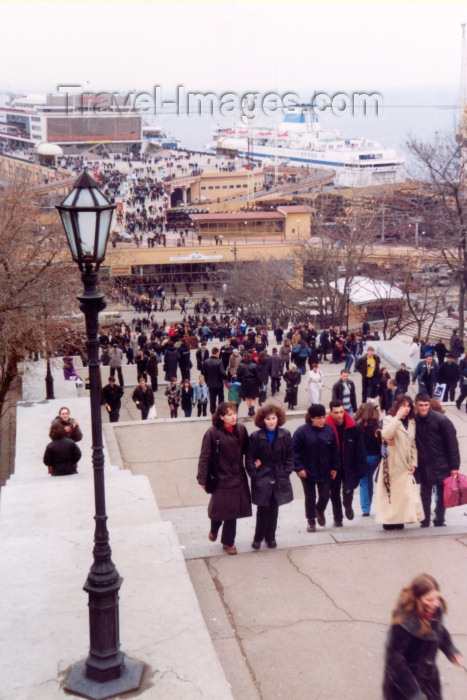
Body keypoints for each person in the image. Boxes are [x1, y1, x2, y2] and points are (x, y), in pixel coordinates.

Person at [383, 573, 463, 700]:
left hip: (428, 678)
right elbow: (395, 661)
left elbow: (438, 631)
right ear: (417, 599)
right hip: (406, 685)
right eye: (429, 600)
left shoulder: (434, 611)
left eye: (436, 598)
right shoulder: (402, 624)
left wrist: (450, 650)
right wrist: (414, 694)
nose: (435, 604)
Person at [197, 402, 251, 555]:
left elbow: (248, 449)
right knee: (220, 508)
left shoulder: (241, 429)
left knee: (232, 512)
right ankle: (214, 528)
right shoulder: (212, 433)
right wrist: (202, 479)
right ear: (221, 417)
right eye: (229, 414)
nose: (233, 417)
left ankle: (228, 542)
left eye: (234, 413)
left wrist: (256, 460)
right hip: (220, 477)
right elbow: (204, 457)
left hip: (237, 476)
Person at [246, 404, 294, 549]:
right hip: (263, 475)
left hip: (279, 474)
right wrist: (255, 474)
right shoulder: (255, 436)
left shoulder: (285, 434)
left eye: (273, 418)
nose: (271, 421)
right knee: (263, 507)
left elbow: (290, 456)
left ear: (278, 419)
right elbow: (249, 457)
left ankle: (270, 537)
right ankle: (258, 538)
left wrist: (286, 471)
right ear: (263, 420)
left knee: (274, 507)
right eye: (268, 419)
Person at [375, 394, 421, 530]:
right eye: (403, 406)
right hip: (392, 462)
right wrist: (397, 418)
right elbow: (386, 435)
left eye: (408, 406)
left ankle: (400, 518)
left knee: (404, 494)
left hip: (405, 464)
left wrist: (414, 463)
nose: (406, 409)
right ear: (397, 407)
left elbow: (413, 443)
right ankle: (388, 520)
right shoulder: (390, 419)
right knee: (390, 492)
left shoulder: (412, 422)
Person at [415, 393, 460, 527]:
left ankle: (439, 519)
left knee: (441, 494)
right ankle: (425, 520)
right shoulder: (414, 421)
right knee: (424, 493)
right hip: (423, 463)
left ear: (429, 404)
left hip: (441, 463)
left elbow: (452, 444)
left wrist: (454, 466)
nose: (423, 408)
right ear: (416, 405)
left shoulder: (441, 420)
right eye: (421, 405)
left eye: (426, 405)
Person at [292, 403, 340, 532]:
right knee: (310, 495)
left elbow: (335, 450)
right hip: (307, 470)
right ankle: (311, 521)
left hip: (325, 469)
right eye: (318, 418)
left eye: (323, 417)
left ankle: (319, 509)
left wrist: (335, 467)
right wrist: (299, 468)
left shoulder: (329, 430)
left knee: (325, 495)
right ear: (311, 418)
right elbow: (294, 451)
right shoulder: (301, 432)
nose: (322, 420)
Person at [325, 400, 366, 527]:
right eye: (336, 412)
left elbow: (360, 449)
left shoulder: (353, 427)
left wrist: (360, 468)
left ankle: (348, 506)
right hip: (334, 466)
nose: (339, 415)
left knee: (348, 489)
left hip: (349, 464)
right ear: (331, 412)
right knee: (334, 492)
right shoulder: (326, 428)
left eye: (341, 412)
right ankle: (338, 518)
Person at [354, 402, 382, 516]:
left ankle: (366, 508)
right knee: (368, 478)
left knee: (364, 481)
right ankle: (368, 505)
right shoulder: (377, 427)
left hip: (362, 457)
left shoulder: (358, 428)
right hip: (375, 457)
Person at [203, 347, 228, 414]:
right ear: (217, 353)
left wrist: (207, 381)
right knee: (221, 398)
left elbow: (204, 373)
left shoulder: (206, 361)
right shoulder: (219, 361)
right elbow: (222, 372)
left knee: (212, 398)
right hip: (219, 383)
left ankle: (213, 411)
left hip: (210, 383)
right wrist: (227, 378)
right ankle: (221, 411)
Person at [236, 352, 262, 416]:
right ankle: (252, 409)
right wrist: (260, 384)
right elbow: (258, 376)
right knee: (253, 397)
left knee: (247, 397)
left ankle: (249, 409)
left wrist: (241, 380)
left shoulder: (241, 365)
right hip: (253, 382)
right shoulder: (254, 365)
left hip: (245, 381)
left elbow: (238, 375)